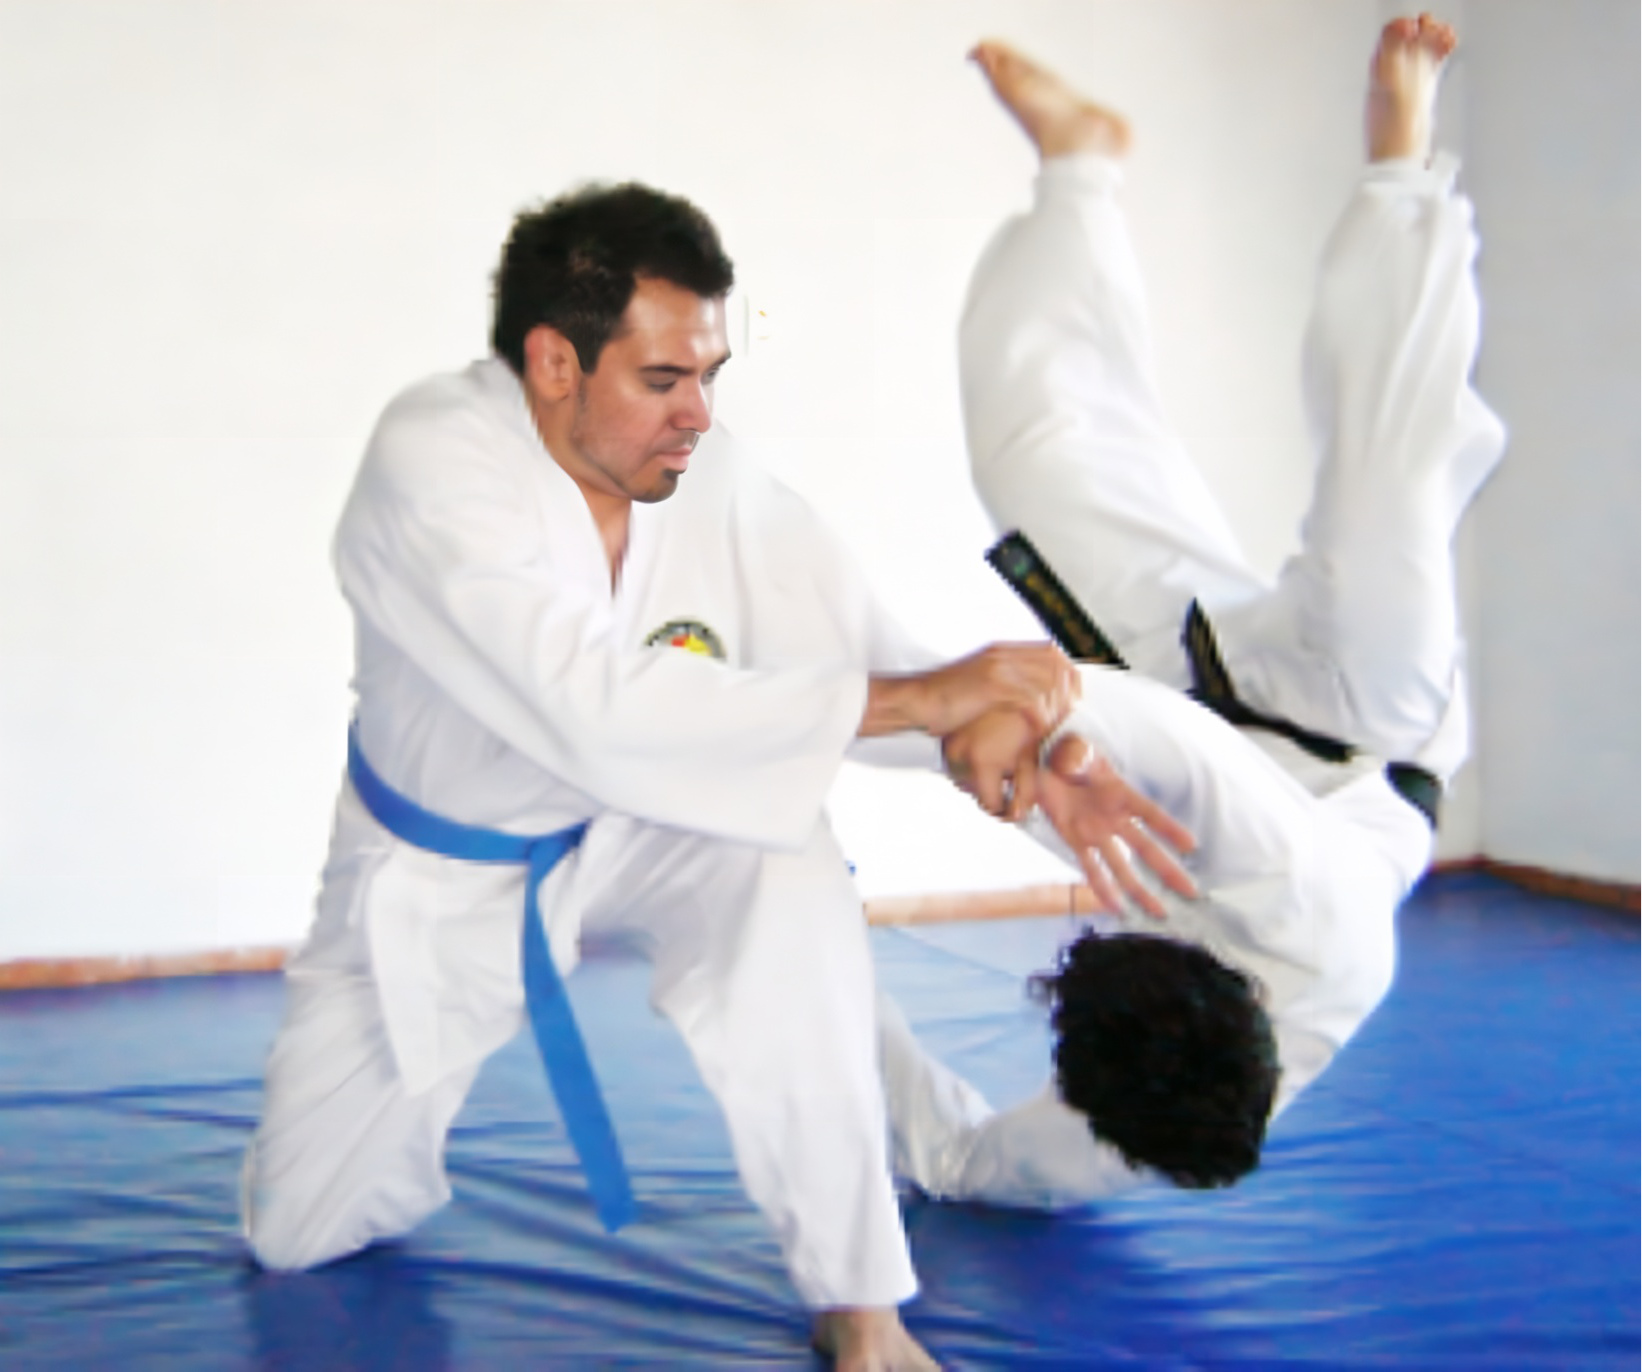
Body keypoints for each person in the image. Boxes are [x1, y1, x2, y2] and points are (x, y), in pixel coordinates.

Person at [239, 180, 1193, 1371]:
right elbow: (587, 706)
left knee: (781, 866)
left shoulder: (711, 476)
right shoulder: (433, 462)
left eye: (708, 376)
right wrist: (917, 703)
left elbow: (857, 646)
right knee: (302, 1229)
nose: (697, 414)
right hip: (449, 869)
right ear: (551, 362)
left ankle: (861, 1303)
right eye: (661, 380)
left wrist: (1008, 747)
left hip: (648, 824)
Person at [880, 16, 1506, 1209]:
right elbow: (1180, 752)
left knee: (1038, 454)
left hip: (1187, 691)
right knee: (1390, 480)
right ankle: (1402, 164)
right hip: (1361, 724)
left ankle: (1081, 167)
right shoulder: (1317, 928)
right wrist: (1038, 711)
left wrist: (805, 950)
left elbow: (960, 1160)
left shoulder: (1119, 1106)